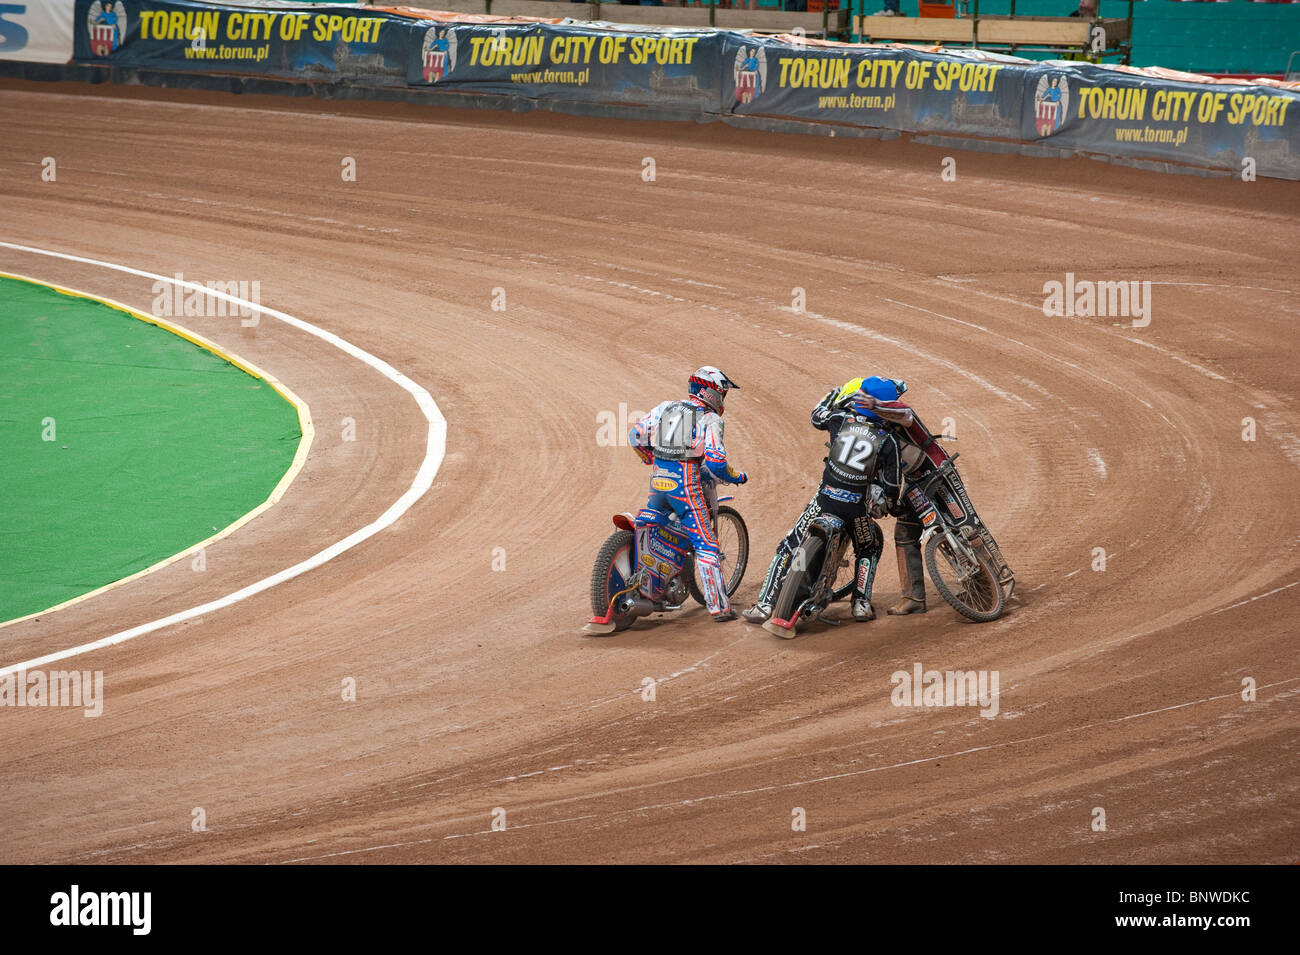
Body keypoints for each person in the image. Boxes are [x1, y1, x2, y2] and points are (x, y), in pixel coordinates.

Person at [746, 376, 908, 628]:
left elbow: (816, 415)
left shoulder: (839, 419)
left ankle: (764, 604)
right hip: (856, 509)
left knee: (788, 545)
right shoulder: (888, 441)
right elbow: (892, 488)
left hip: (825, 501)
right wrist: (888, 504)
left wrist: (839, 392)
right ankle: (861, 602)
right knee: (868, 548)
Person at [629, 367, 748, 622]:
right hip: (684, 485)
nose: (723, 400)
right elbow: (716, 463)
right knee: (706, 543)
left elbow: (636, 435)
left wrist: (653, 458)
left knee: (656, 530)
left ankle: (653, 585)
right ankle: (719, 608)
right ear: (711, 393)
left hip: (658, 481)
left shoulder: (666, 407)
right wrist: (736, 476)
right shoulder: (709, 418)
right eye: (722, 393)